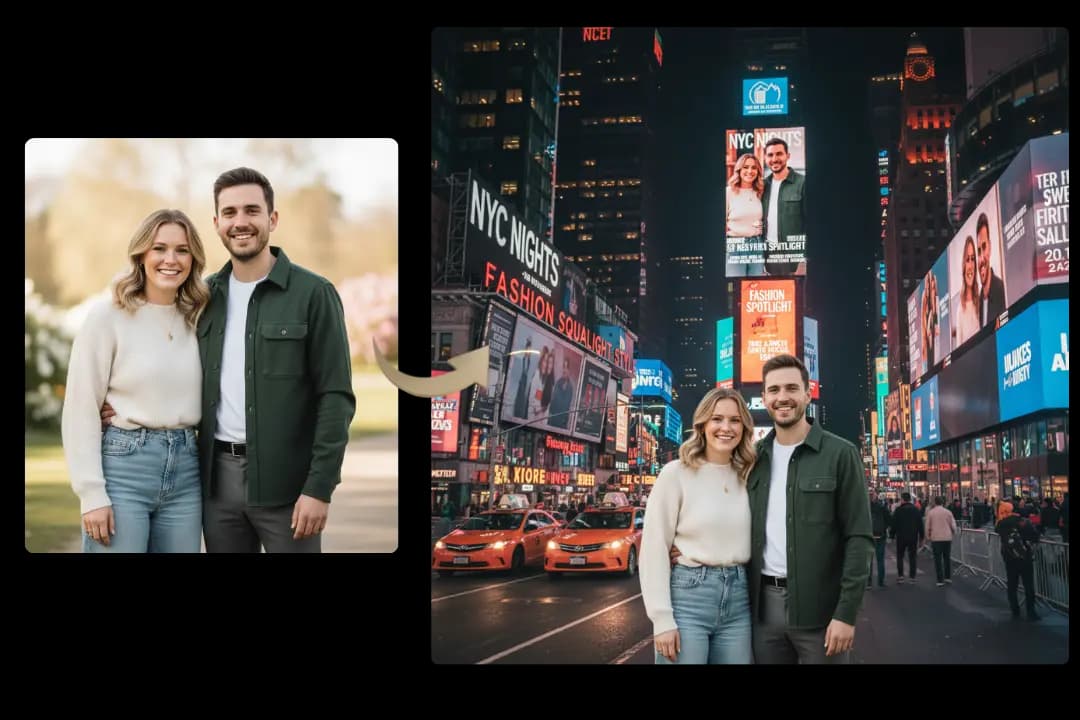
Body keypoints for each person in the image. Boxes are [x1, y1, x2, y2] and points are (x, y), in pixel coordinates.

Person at [104, 168, 356, 552]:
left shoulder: (313, 294)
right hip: (215, 487)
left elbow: (336, 397)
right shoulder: (202, 299)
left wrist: (319, 488)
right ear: (217, 223)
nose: (241, 222)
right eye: (230, 212)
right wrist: (118, 405)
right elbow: (164, 360)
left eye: (252, 211)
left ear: (272, 219)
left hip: (288, 487)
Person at [63, 209, 210, 552]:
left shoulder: (200, 318)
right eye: (159, 248)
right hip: (123, 469)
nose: (171, 259)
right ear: (141, 254)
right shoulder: (108, 316)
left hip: (186, 473)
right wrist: (91, 494)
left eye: (182, 250)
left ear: (193, 259)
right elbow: (81, 407)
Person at [746, 354, 871, 663]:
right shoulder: (752, 458)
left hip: (822, 613)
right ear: (764, 398)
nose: (782, 397)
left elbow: (859, 537)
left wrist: (846, 614)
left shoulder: (841, 453)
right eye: (774, 390)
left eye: (791, 388)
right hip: (762, 612)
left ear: (807, 393)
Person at [640, 388, 756, 664]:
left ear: (744, 427)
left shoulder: (750, 474)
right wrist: (661, 618)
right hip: (688, 599)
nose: (726, 427)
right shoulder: (676, 473)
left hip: (739, 600)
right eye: (717, 419)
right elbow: (654, 546)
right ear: (702, 425)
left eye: (735, 420)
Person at [759, 138, 806, 276]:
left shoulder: (802, 183)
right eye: (770, 155)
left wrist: (804, 259)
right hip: (768, 254)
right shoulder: (762, 185)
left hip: (794, 256)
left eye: (779, 154)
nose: (774, 159)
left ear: (788, 156)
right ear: (765, 158)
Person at [995, 498, 1041, 620]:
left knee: (1012, 584)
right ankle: (1031, 611)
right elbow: (1035, 536)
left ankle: (1015, 609)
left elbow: (998, 530)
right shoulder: (1024, 522)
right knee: (1028, 584)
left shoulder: (1001, 523)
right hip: (1025, 556)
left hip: (1009, 556)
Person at [725, 152, 766, 277]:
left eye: (754, 168)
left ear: (758, 171)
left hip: (757, 245)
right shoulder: (729, 192)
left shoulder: (760, 192)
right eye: (746, 167)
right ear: (739, 170)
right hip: (735, 245)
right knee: (736, 284)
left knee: (755, 284)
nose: (750, 171)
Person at [976, 212, 1006, 328]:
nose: (981, 258)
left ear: (990, 246)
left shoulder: (1000, 289)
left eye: (984, 247)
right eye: (978, 251)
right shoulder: (979, 300)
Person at [954, 236, 981, 346]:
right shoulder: (960, 310)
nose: (970, 265)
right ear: (963, 266)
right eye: (967, 260)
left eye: (973, 259)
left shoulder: (982, 301)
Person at [925, 496, 958, 586]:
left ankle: (940, 580)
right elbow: (953, 524)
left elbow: (927, 526)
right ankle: (948, 577)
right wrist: (954, 532)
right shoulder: (948, 512)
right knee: (947, 558)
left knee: (938, 559)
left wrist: (928, 536)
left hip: (936, 538)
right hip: (947, 537)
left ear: (935, 503)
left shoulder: (931, 513)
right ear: (942, 502)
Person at [892, 492, 924, 583]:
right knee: (912, 556)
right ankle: (912, 577)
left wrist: (891, 535)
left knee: (900, 556)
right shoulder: (915, 510)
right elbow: (920, 524)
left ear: (902, 499)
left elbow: (894, 524)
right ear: (909, 499)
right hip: (913, 536)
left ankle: (901, 576)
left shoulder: (898, 510)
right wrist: (922, 536)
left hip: (901, 536)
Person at [868, 490, 891, 589]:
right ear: (876, 497)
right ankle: (880, 582)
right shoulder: (882, 507)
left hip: (868, 536)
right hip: (880, 535)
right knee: (880, 559)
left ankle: (868, 583)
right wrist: (884, 528)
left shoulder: (865, 508)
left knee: (868, 561)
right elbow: (889, 520)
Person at [548, 358, 575, 428]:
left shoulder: (570, 387)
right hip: (552, 421)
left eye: (566, 368)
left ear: (569, 370)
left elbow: (566, 407)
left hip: (561, 424)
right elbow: (553, 402)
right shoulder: (558, 382)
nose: (564, 370)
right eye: (564, 367)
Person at [921, 269, 939, 369]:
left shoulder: (936, 304)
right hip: (927, 360)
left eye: (932, 288)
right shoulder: (924, 299)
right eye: (927, 285)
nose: (930, 290)